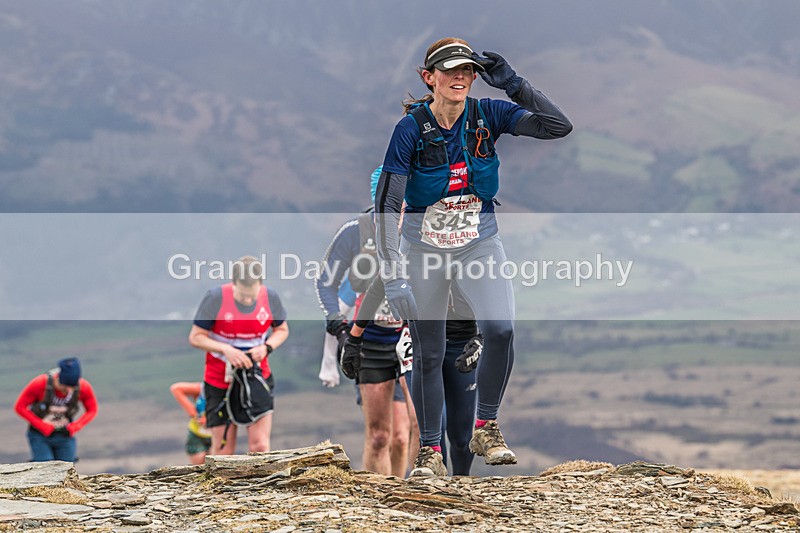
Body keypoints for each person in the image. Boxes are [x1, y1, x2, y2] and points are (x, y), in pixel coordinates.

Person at [375, 38, 572, 476]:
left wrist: (514, 84)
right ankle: (429, 454)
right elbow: (388, 203)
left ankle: (486, 426)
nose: (461, 76)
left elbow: (558, 126)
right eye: (450, 70)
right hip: (423, 247)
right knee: (429, 351)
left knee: (500, 330)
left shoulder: (489, 114)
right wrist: (393, 275)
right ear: (430, 78)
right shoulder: (410, 129)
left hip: (478, 242)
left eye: (467, 69)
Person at [315, 194, 416, 477]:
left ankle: (416, 495)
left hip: (410, 337)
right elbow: (325, 284)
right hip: (371, 339)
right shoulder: (355, 232)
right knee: (381, 436)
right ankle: (382, 503)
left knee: (413, 429)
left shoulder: (419, 229)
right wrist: (340, 328)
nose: (398, 216)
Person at [188, 255, 289, 455]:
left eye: (252, 296)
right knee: (223, 450)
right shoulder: (215, 298)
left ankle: (262, 485)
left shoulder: (270, 298)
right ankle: (220, 486)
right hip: (219, 381)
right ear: (234, 283)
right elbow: (196, 337)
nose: (247, 300)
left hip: (257, 377)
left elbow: (282, 330)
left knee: (260, 446)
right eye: (243, 297)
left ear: (260, 284)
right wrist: (226, 349)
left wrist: (267, 347)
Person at [14, 357, 98, 462]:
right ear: (58, 379)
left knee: (67, 469)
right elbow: (20, 407)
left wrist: (74, 427)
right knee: (45, 467)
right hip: (40, 436)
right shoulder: (40, 384)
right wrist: (42, 426)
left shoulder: (83, 387)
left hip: (65, 435)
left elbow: (92, 410)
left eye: (72, 387)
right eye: (65, 387)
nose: (68, 391)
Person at [170, 381, 212, 465]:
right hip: (197, 434)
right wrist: (195, 414)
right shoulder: (203, 389)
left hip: (218, 434)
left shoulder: (229, 390)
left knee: (217, 464)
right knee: (199, 467)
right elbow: (176, 389)